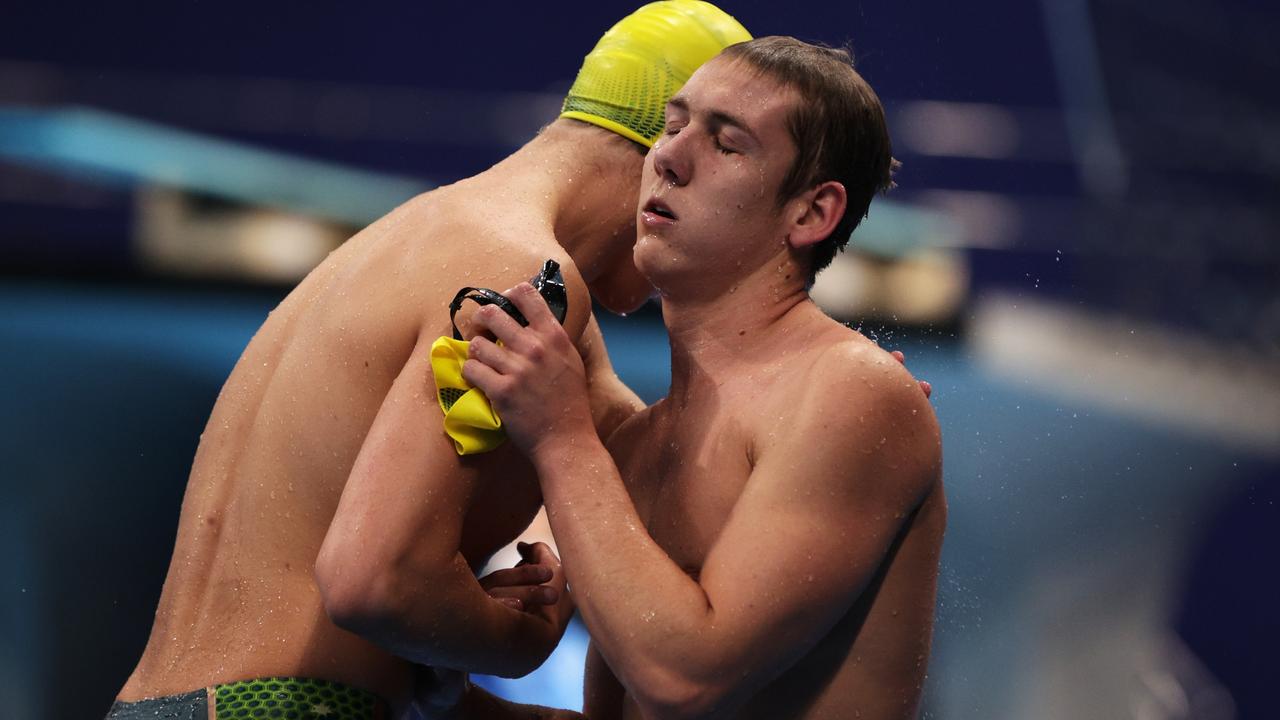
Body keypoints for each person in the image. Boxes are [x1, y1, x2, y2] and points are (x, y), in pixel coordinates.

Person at [105, 4, 752, 719]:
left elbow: (643, 451)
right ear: (671, 160)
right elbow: (373, 582)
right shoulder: (524, 272)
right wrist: (516, 639)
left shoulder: (428, 236)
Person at [464, 36, 946, 720]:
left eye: (727, 143)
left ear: (811, 213)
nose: (668, 156)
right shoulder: (635, 448)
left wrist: (562, 439)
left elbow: (687, 679)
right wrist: (445, 701)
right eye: (674, 124)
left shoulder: (851, 392)